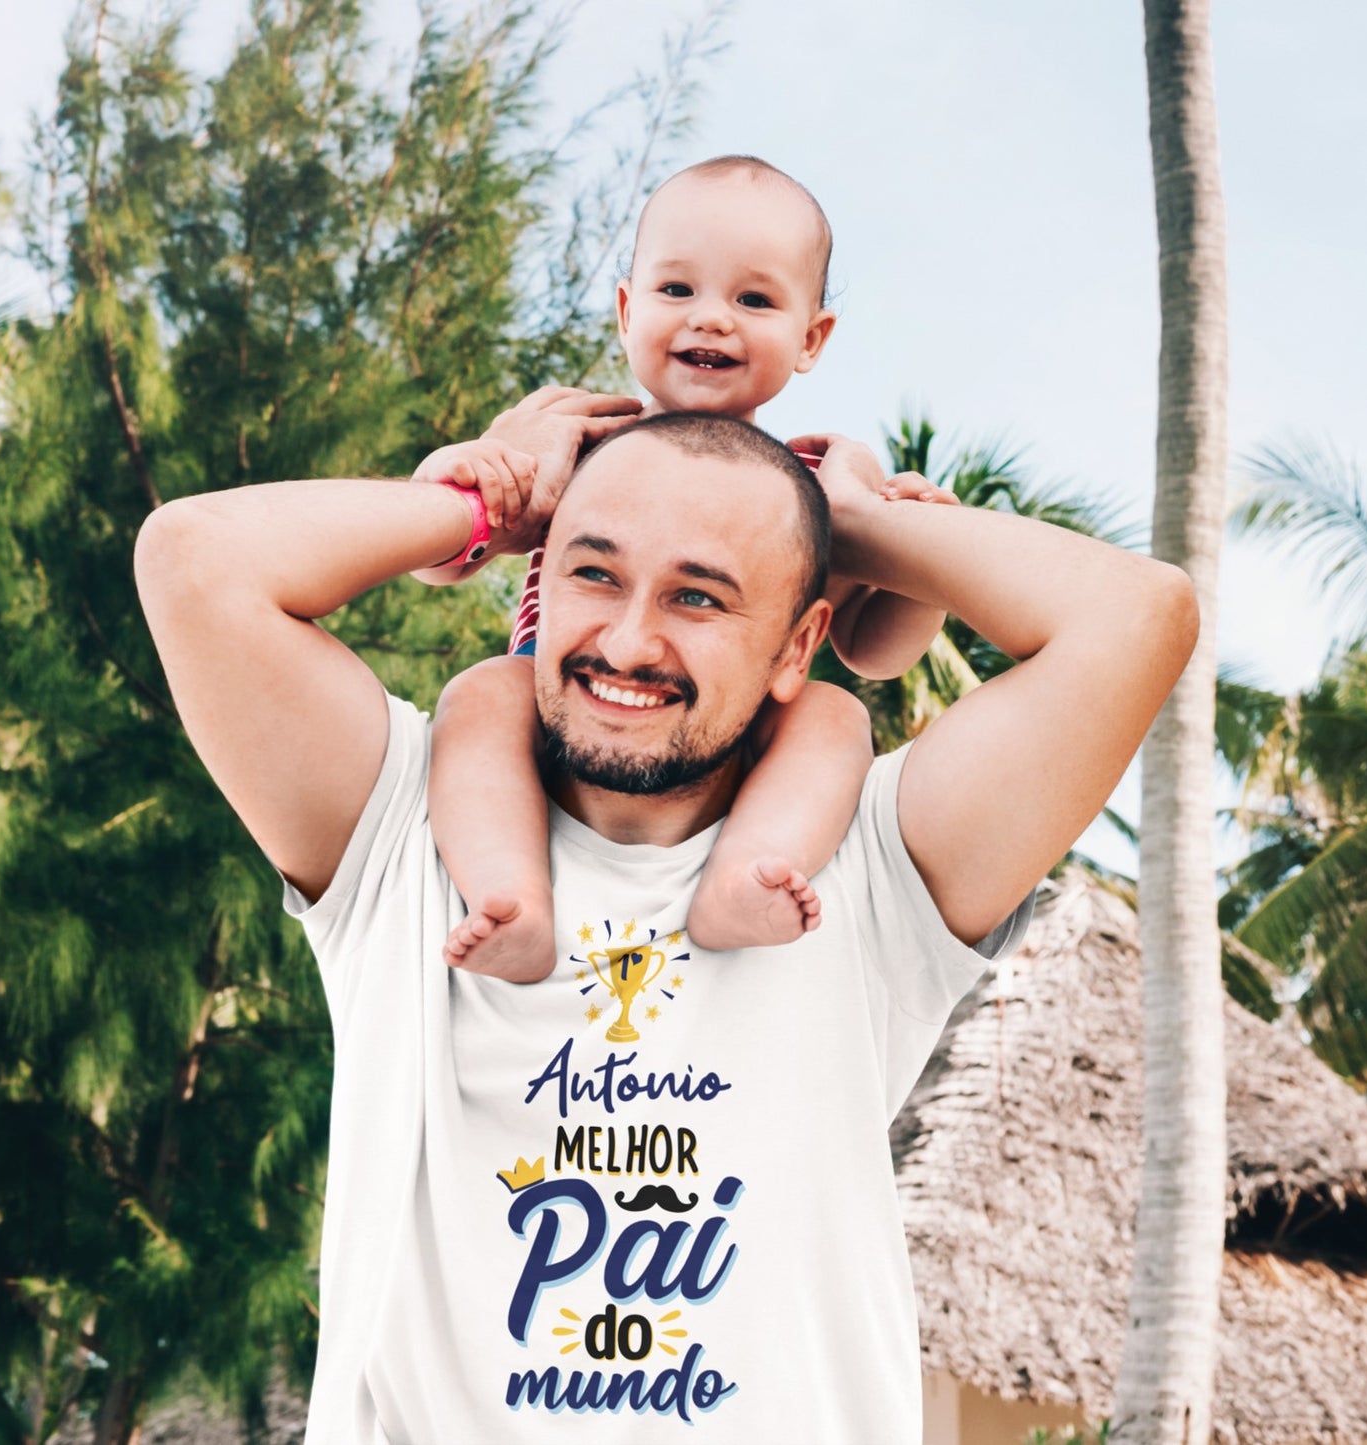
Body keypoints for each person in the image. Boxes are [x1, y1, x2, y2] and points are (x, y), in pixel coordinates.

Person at [134, 397, 1197, 1443]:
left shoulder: (871, 861)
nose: (627, 639)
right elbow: (195, 558)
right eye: (591, 572)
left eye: (700, 596)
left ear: (795, 647)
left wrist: (841, 519)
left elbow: (1136, 615)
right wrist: (487, 502)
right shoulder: (404, 824)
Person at [416, 156, 960, 983]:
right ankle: (507, 892)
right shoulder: (576, 442)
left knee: (833, 718)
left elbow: (871, 651)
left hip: (719, 736)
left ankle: (750, 873)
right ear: (627, 309)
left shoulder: (811, 490)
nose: (711, 320)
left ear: (811, 337)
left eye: (753, 299)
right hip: (556, 703)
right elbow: (440, 563)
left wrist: (918, 558)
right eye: (677, 291)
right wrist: (471, 470)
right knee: (479, 693)